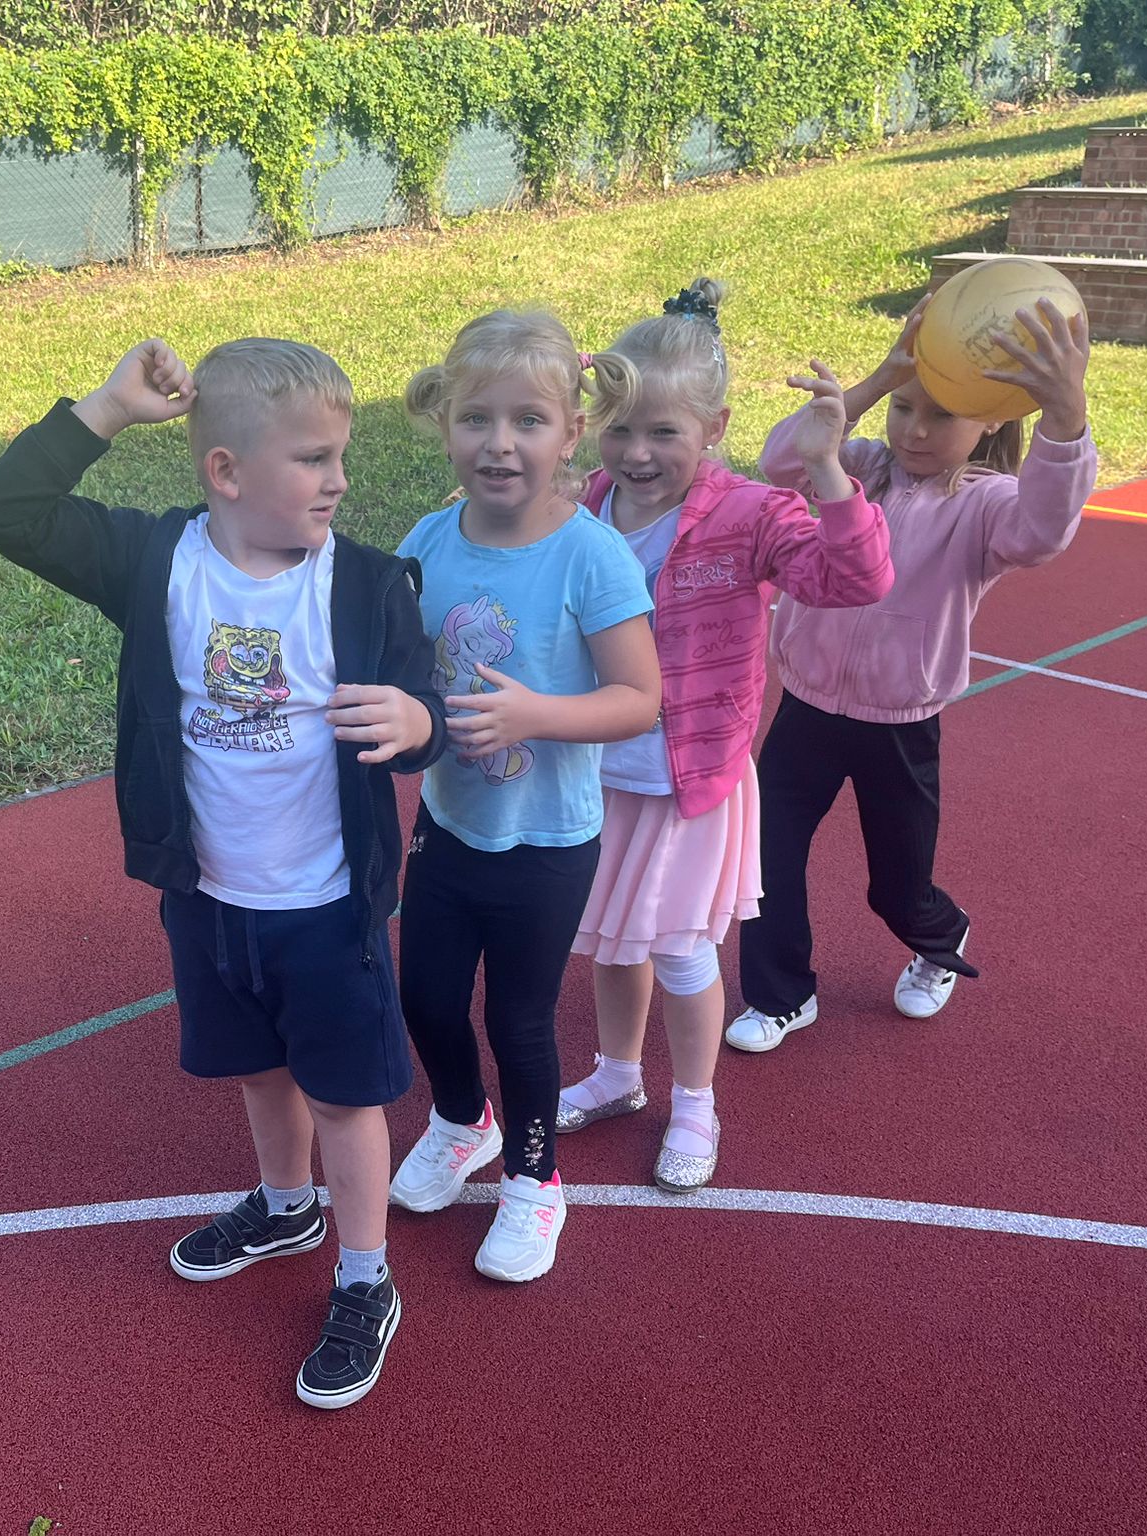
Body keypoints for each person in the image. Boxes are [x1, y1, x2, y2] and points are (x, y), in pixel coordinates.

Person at [0, 336, 446, 1409]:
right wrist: (103, 409)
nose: (339, 479)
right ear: (224, 470)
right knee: (259, 1071)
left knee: (343, 1099)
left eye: (340, 456)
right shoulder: (156, 562)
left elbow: (427, 712)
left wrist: (418, 722)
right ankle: (286, 1207)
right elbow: (6, 511)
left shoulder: (368, 584)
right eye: (312, 459)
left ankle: (364, 1276)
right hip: (209, 898)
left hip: (326, 908)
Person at [558, 278, 893, 1191]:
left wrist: (827, 468)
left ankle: (696, 1104)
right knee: (610, 938)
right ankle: (618, 1073)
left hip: (688, 778)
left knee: (677, 947)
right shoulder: (586, 502)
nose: (637, 453)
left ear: (715, 428)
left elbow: (856, 579)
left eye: (664, 432)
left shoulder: (749, 513)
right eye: (620, 428)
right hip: (598, 766)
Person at [729, 294, 1097, 1052]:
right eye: (904, 408)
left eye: (941, 415)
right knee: (765, 860)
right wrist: (876, 381)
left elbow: (1044, 531)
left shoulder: (988, 504)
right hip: (807, 707)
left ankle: (940, 934)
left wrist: (1065, 414)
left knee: (896, 888)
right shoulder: (859, 465)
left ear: (989, 420)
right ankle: (782, 996)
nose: (915, 431)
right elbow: (780, 464)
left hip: (900, 724)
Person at [385, 308, 661, 1282]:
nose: (499, 443)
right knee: (424, 996)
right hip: (451, 822)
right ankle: (464, 1121)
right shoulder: (428, 538)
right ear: (445, 426)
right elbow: (404, 665)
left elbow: (639, 698)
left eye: (528, 421)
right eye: (477, 419)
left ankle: (535, 1182)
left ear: (571, 433)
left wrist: (536, 714)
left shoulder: (591, 555)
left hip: (547, 841)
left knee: (518, 1020)